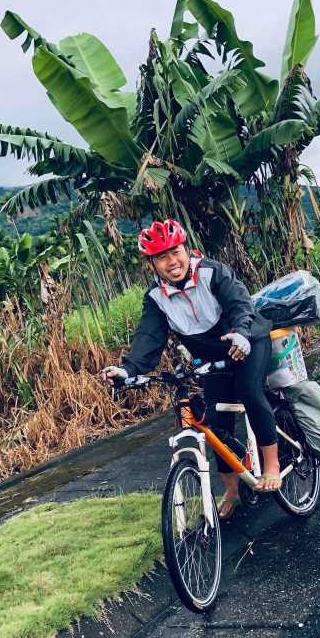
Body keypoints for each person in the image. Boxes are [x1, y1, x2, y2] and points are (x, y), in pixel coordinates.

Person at [101, 219, 280, 517]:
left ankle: (271, 464)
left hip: (248, 341)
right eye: (162, 257)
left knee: (248, 391)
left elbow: (239, 304)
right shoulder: (156, 299)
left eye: (176, 251)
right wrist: (127, 370)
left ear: (186, 249)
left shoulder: (213, 272)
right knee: (216, 419)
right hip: (213, 359)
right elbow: (148, 337)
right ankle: (232, 490)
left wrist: (242, 332)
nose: (172, 262)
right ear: (152, 264)